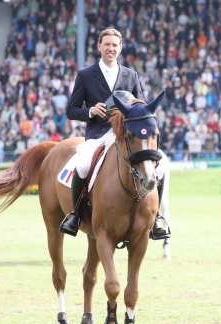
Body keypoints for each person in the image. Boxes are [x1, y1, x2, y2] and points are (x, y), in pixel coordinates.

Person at [60, 27, 170, 240]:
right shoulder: (85, 75)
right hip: (99, 134)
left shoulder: (131, 74)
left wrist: (133, 107)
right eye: (107, 44)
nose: (111, 48)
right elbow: (71, 110)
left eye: (115, 45)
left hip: (127, 136)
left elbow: (143, 106)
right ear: (99, 46)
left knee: (162, 164)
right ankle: (75, 214)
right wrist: (91, 111)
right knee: (82, 163)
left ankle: (157, 218)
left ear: (120, 48)